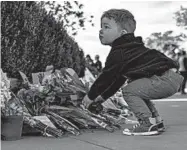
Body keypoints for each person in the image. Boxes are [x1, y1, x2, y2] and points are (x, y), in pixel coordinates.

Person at [82, 9, 184, 136]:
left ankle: (147, 123)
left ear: (123, 33)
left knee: (129, 90)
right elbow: (118, 81)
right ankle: (156, 121)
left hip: (164, 79)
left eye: (106, 27)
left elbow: (106, 77)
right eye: (101, 27)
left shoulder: (119, 52)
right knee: (136, 88)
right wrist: (101, 98)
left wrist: (90, 96)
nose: (101, 30)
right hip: (171, 78)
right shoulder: (130, 50)